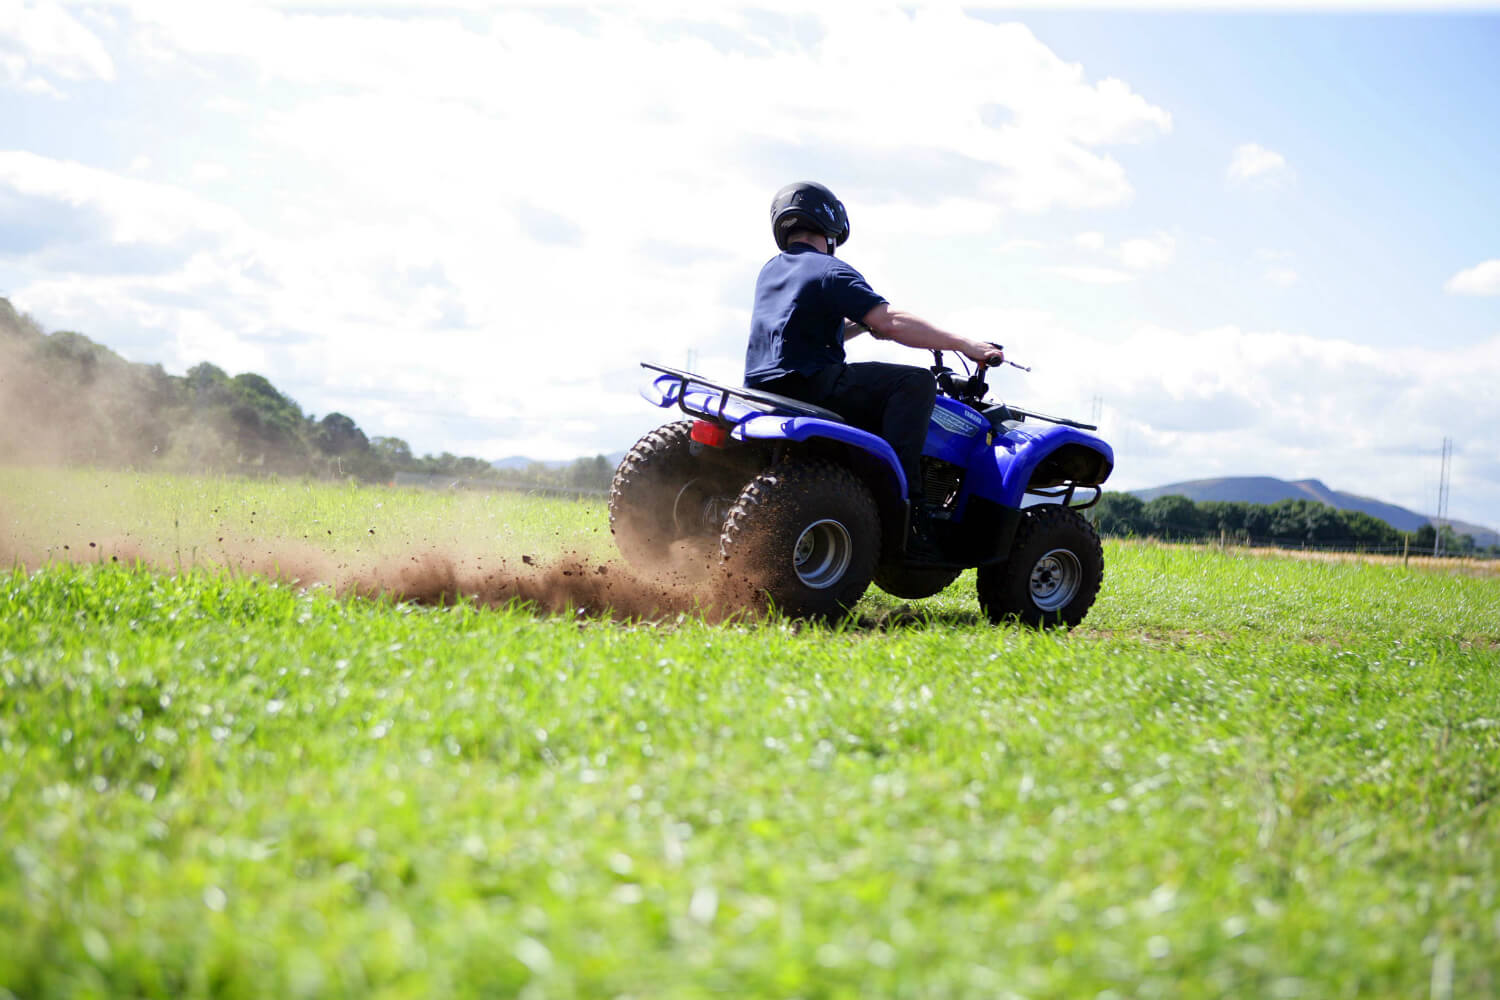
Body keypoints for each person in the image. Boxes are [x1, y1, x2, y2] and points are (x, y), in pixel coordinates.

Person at [743, 180, 1004, 557]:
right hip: (813, 385)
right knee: (914, 382)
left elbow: (802, 335)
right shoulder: (831, 270)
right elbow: (892, 322)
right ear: (831, 229)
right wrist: (968, 345)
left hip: (764, 390)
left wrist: (860, 326)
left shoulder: (772, 271)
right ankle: (905, 507)